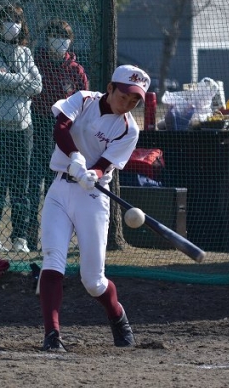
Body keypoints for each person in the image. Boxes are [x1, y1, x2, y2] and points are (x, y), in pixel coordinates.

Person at [37, 64, 151, 352]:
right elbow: (61, 127)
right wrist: (75, 158)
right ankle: (52, 335)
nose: (127, 104)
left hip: (92, 198)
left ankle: (118, 316)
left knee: (93, 281)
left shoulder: (129, 129)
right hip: (60, 190)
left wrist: (93, 174)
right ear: (110, 88)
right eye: (124, 96)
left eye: (134, 100)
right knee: (52, 261)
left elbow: (104, 164)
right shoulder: (84, 99)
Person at [0, 4, 42, 253]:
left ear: (22, 25)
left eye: (16, 20)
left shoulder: (25, 53)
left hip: (23, 128)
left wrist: (12, 80)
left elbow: (38, 85)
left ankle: (20, 238)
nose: (11, 25)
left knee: (20, 187)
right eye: (6, 20)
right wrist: (21, 81)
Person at [27, 19, 89, 251]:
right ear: (47, 39)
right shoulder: (37, 63)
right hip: (38, 126)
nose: (59, 41)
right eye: (55, 36)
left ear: (70, 41)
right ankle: (29, 235)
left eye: (64, 37)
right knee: (34, 184)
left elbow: (84, 102)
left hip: (64, 132)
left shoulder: (75, 70)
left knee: (59, 187)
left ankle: (56, 236)